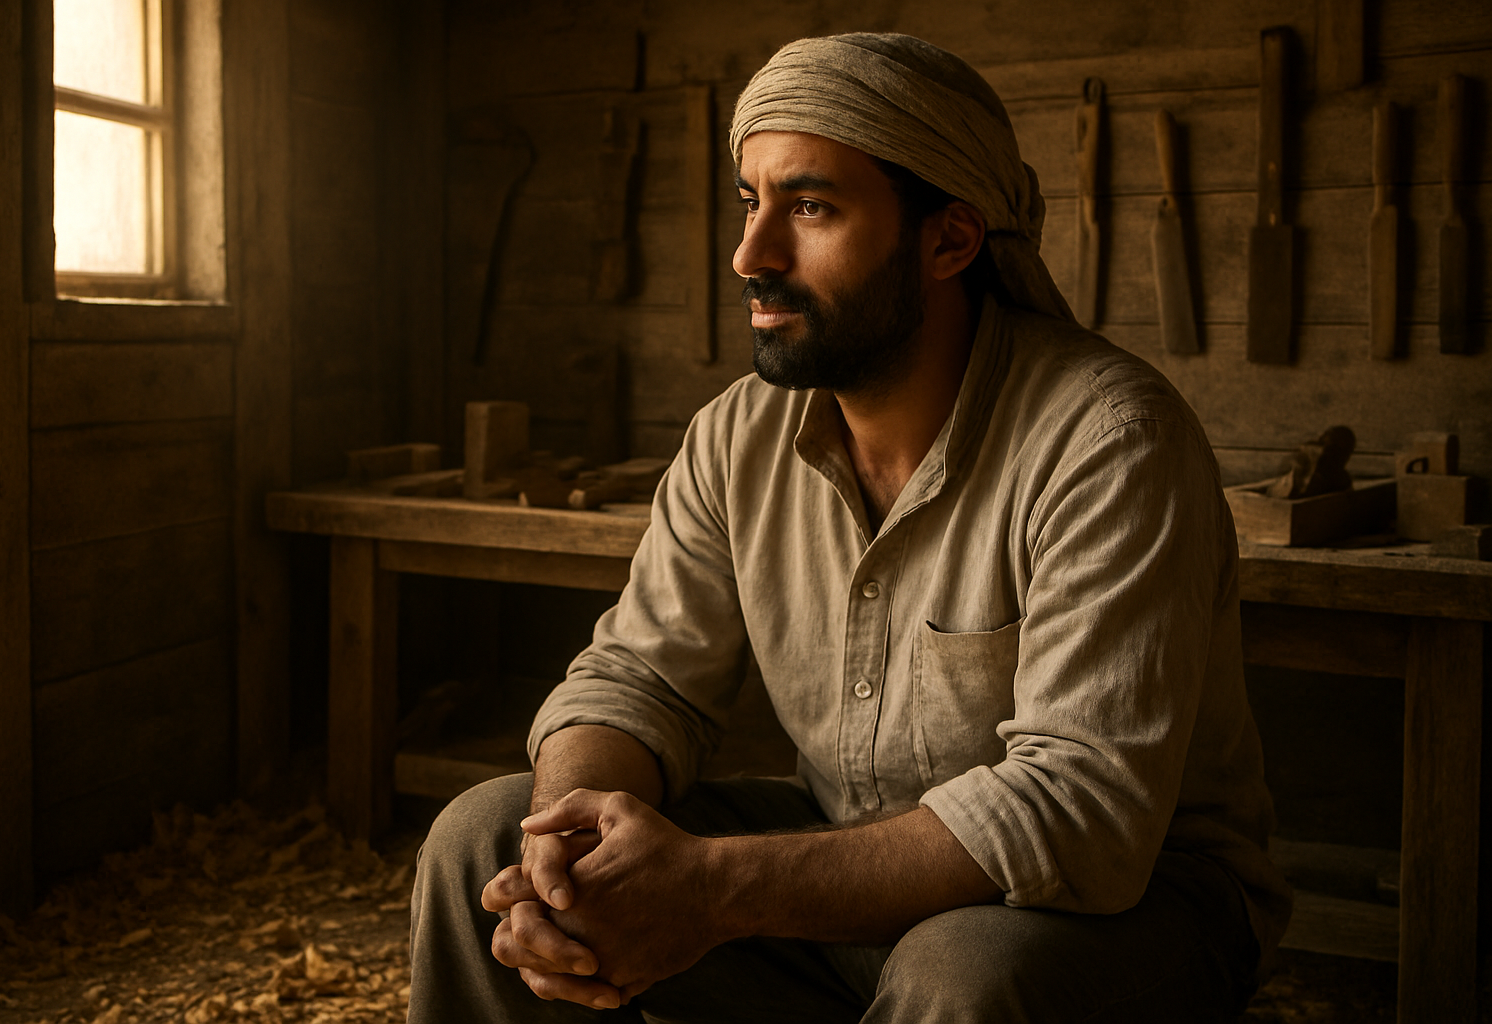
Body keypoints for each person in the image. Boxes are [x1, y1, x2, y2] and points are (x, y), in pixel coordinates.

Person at [407, 31, 1291, 1023]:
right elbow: (639, 679)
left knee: (964, 970)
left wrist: (711, 889)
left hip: (1127, 909)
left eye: (812, 207)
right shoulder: (736, 434)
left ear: (950, 240)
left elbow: (1076, 815)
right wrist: (566, 843)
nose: (752, 254)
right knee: (482, 835)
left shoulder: (1110, 439)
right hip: (847, 890)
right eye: (752, 202)